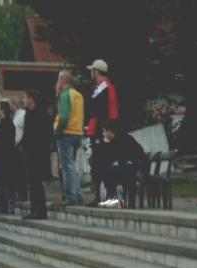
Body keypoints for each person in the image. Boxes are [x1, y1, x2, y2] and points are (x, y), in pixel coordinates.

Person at [85, 59, 119, 206]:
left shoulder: (107, 88)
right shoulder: (99, 89)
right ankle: (100, 196)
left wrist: (107, 132)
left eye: (92, 71)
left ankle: (110, 196)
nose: (90, 73)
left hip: (102, 132)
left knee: (103, 164)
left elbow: (112, 113)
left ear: (96, 71)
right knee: (98, 165)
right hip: (96, 131)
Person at [20, 90, 52, 219]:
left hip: (37, 153)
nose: (23, 100)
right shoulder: (29, 114)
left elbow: (42, 135)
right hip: (29, 152)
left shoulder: (40, 114)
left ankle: (39, 210)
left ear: (31, 99)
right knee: (32, 183)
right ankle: (35, 209)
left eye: (25, 98)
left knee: (36, 182)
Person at [54, 70, 85, 206]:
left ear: (63, 81)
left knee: (67, 167)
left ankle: (71, 198)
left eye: (58, 80)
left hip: (66, 133)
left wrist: (57, 131)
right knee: (72, 167)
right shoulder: (78, 95)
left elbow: (64, 116)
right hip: (77, 133)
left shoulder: (65, 95)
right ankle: (79, 197)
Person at [99, 120, 147, 207]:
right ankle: (117, 199)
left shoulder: (123, 138)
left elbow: (126, 156)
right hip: (127, 165)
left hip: (135, 165)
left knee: (110, 171)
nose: (103, 134)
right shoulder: (114, 141)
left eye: (104, 131)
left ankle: (117, 199)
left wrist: (116, 162)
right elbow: (110, 158)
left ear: (109, 131)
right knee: (107, 171)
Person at [0, 102, 17, 215]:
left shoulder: (4, 125)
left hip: (2, 160)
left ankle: (4, 205)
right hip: (6, 159)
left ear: (3, 111)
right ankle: (4, 205)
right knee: (4, 182)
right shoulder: (8, 124)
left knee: (3, 183)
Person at [10, 97, 28, 202]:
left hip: (20, 145)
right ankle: (19, 193)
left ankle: (23, 194)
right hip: (14, 146)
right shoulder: (14, 116)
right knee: (16, 172)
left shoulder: (22, 115)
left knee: (21, 172)